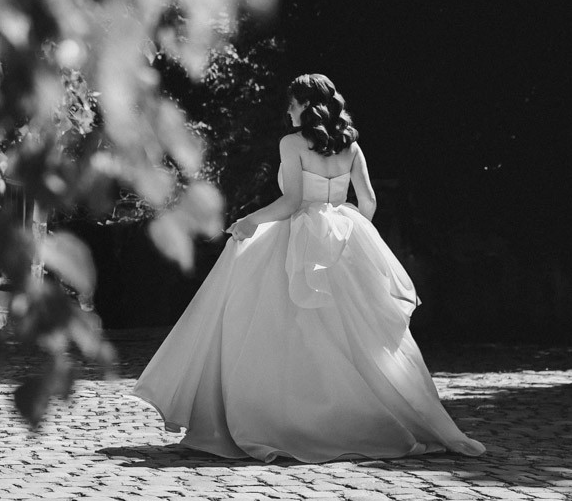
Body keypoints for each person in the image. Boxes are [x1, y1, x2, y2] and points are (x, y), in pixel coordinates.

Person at [134, 74, 484, 463]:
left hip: (299, 240)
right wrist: (347, 234)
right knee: (361, 339)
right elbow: (367, 202)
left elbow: (292, 201)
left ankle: (290, 420)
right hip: (343, 241)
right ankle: (380, 419)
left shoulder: (292, 143)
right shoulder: (351, 146)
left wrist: (249, 221)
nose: (288, 111)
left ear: (304, 104)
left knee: (281, 324)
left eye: (291, 103)